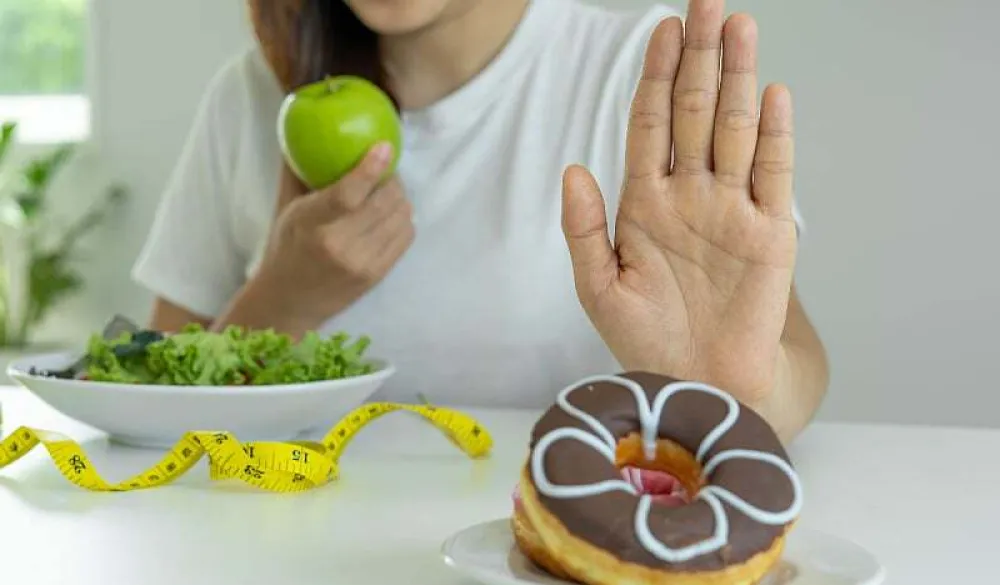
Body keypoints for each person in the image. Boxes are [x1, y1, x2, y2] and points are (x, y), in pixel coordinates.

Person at [132, 0, 829, 442]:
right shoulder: (250, 95)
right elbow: (152, 415)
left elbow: (785, 366)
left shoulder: (632, 73)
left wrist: (736, 394)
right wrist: (280, 302)